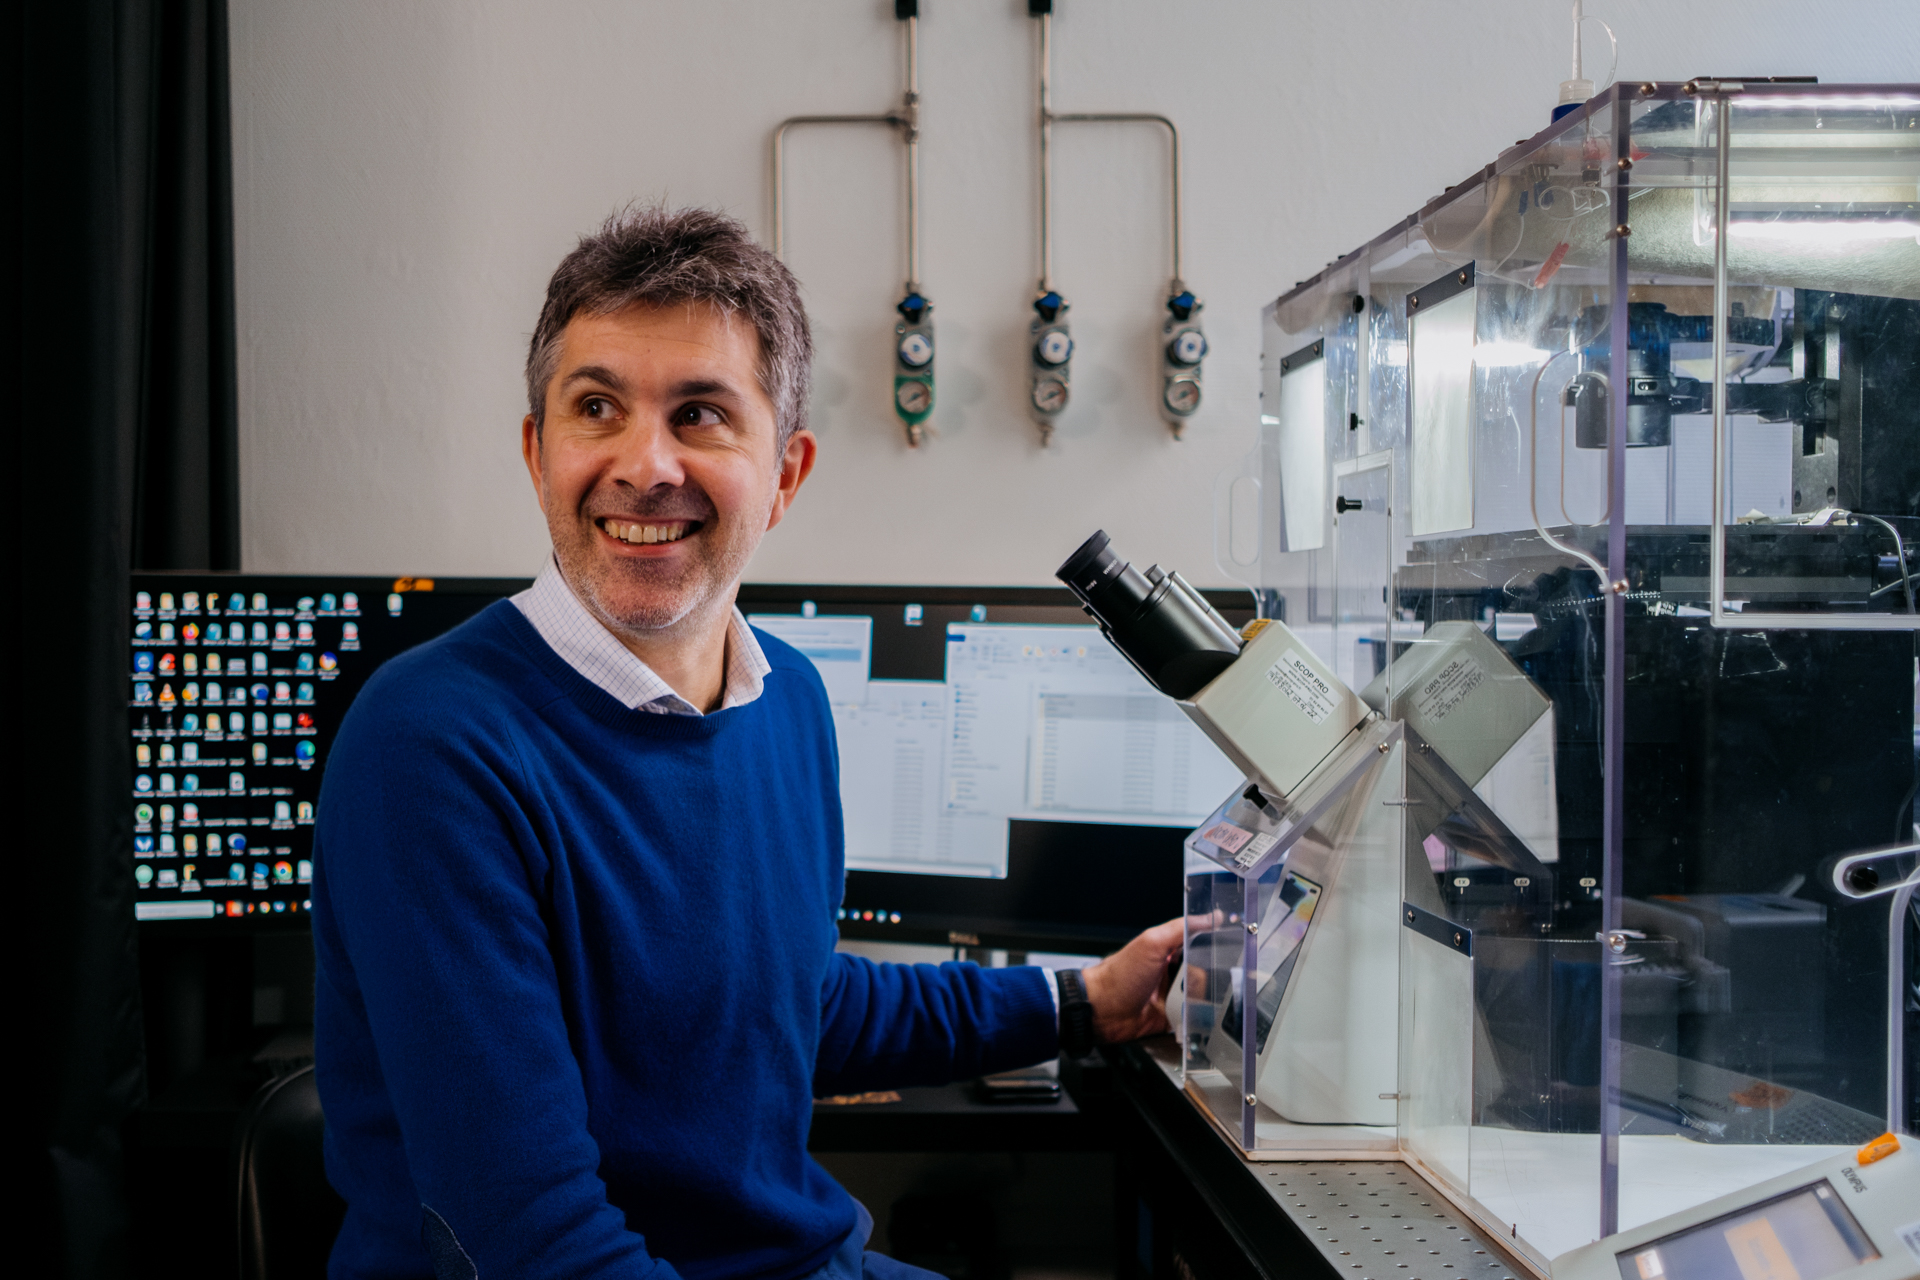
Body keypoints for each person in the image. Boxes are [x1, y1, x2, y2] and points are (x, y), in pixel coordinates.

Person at [312, 205, 1184, 1280]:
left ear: (786, 473)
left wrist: (1083, 1000)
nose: (646, 463)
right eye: (597, 407)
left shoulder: (790, 699)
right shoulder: (434, 745)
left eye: (701, 414)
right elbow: (534, 1239)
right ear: (539, 451)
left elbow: (796, 1001)